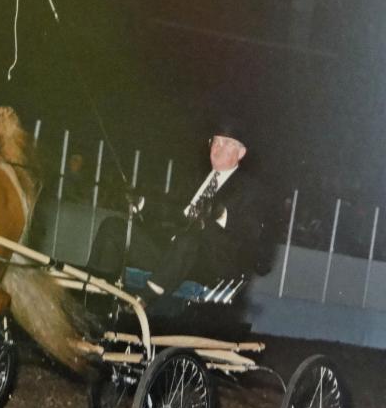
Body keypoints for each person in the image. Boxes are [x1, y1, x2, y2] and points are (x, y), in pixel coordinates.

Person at [88, 118, 265, 304]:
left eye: (226, 143)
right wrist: (142, 203)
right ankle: (95, 292)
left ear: (241, 153)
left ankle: (142, 300)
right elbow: (172, 210)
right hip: (170, 255)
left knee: (189, 238)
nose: (218, 148)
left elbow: (253, 231)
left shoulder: (249, 190)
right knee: (113, 227)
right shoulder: (197, 178)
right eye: (215, 141)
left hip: (207, 265)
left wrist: (221, 214)